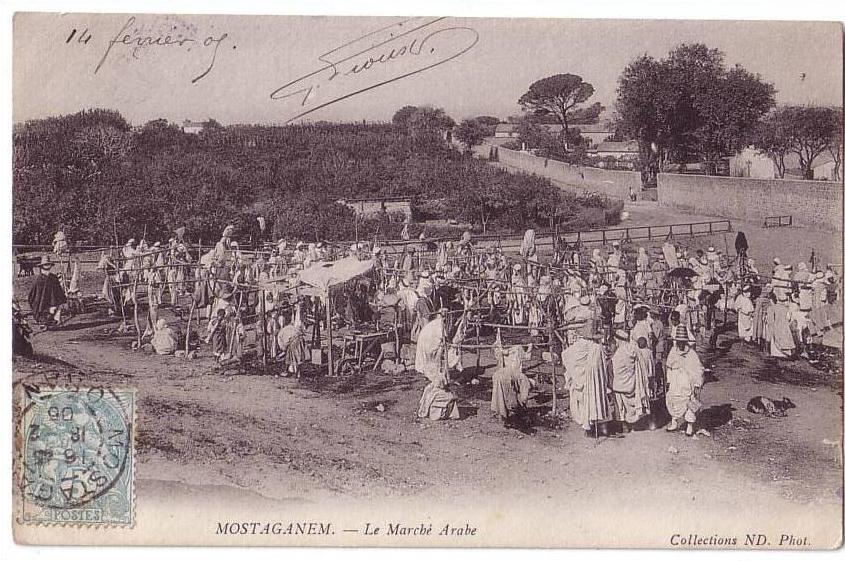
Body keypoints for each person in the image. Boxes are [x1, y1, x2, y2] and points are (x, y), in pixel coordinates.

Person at [561, 322, 610, 435]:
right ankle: (597, 425)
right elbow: (602, 365)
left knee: (583, 403)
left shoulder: (577, 346)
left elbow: (565, 355)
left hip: (581, 380)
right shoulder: (597, 348)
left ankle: (587, 428)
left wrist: (576, 373)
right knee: (595, 400)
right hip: (594, 380)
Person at [665, 325, 704, 436]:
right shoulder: (673, 352)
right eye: (679, 342)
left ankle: (690, 426)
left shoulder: (691, 354)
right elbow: (669, 366)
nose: (680, 344)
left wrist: (697, 384)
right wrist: (668, 380)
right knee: (673, 400)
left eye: (683, 342)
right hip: (675, 382)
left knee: (689, 403)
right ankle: (674, 422)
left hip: (687, 383)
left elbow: (698, 369)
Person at [610, 331, 652, 430]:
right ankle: (635, 423)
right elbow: (642, 366)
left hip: (619, 385)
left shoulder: (618, 353)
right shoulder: (634, 349)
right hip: (633, 383)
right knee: (633, 403)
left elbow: (615, 369)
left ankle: (624, 425)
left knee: (621, 405)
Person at [491, 342, 535, 428]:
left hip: (500, 373)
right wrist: (530, 348)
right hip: (506, 377)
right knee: (507, 397)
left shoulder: (503, 350)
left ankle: (503, 417)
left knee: (500, 396)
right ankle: (507, 417)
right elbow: (524, 397)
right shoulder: (525, 380)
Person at [28, 256, 67, 326]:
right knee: (45, 312)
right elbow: (33, 296)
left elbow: (58, 291)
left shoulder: (53, 278)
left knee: (56, 309)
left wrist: (62, 300)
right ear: (42, 267)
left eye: (48, 265)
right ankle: (43, 321)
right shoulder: (38, 280)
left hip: (53, 304)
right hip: (41, 307)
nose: (47, 267)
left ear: (50, 266)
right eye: (45, 265)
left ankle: (53, 320)